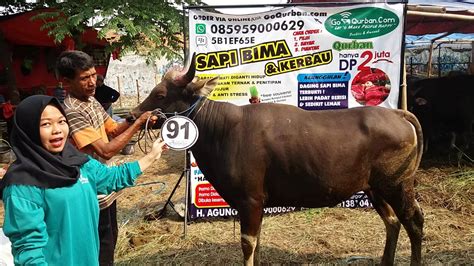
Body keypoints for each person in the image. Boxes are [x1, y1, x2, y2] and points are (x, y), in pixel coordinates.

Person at [0, 95, 167, 265]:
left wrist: (152, 156)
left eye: (61, 121)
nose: (57, 129)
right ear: (29, 130)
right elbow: (29, 252)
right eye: (46, 124)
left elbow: (112, 178)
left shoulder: (78, 163)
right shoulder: (22, 185)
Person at [55, 50, 155, 266]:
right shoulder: (72, 110)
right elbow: (105, 150)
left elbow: (113, 130)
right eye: (84, 78)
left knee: (110, 237)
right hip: (89, 185)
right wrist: (138, 125)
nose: (92, 82)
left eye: (93, 75)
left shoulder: (91, 101)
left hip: (105, 181)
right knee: (101, 243)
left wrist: (135, 118)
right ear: (66, 82)